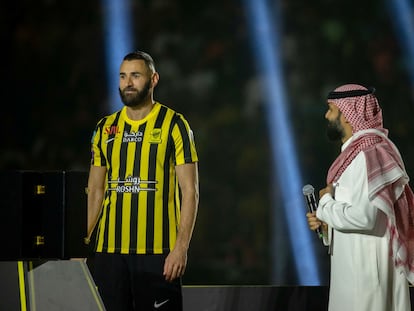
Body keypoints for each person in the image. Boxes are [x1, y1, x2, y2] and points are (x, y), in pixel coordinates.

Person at [85, 50, 199, 311]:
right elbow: (95, 191)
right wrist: (82, 243)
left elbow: (190, 192)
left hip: (158, 253)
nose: (128, 83)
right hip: (108, 254)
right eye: (123, 76)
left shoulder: (175, 124)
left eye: (135, 75)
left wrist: (180, 249)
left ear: (154, 79)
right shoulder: (105, 128)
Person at [306, 84, 414, 311]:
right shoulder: (356, 155)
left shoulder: (370, 155)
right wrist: (326, 225)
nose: (327, 115)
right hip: (355, 274)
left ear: (347, 114)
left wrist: (325, 204)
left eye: (331, 109)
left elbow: (365, 218)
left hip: (366, 278)